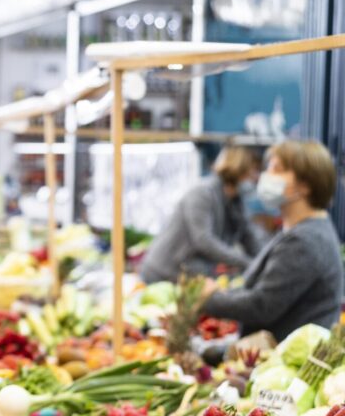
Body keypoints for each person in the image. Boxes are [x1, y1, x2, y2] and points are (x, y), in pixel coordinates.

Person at [202, 140, 343, 341]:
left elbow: (262, 306)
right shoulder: (303, 229)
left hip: (284, 362)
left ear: (304, 187)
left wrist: (209, 299)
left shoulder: (304, 241)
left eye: (277, 169)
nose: (265, 176)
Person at [139, 145, 262, 283]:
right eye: (254, 170)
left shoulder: (236, 202)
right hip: (163, 273)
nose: (257, 178)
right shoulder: (202, 194)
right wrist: (247, 263)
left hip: (190, 275)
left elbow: (248, 235)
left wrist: (262, 262)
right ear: (240, 167)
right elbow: (204, 241)